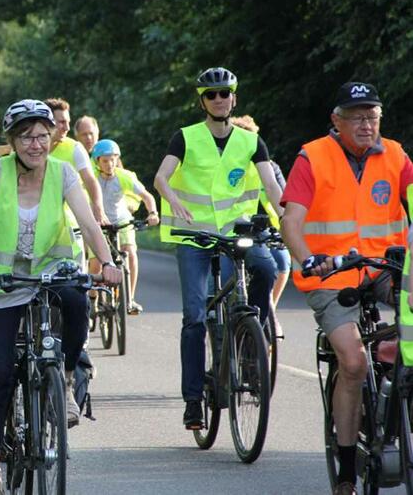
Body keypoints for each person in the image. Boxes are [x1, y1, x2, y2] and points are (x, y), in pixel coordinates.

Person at [0, 99, 121, 495]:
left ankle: (65, 378)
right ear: (13, 141)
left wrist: (108, 261)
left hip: (52, 270)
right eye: (27, 137)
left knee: (77, 299)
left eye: (43, 136)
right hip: (1, 283)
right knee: (0, 373)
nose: (36, 144)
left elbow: (87, 221)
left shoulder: (62, 172)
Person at [281, 82, 411, 495]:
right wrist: (308, 260)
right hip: (331, 275)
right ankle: (347, 469)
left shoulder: (395, 155)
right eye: (357, 117)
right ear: (336, 122)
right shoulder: (312, 157)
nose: (366, 125)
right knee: (353, 363)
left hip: (386, 268)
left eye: (372, 116)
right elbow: (292, 223)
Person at [153, 67, 282, 431]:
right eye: (211, 95)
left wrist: (285, 216)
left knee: (267, 269)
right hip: (193, 237)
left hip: (234, 235)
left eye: (225, 93)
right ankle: (193, 400)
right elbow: (161, 177)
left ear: (234, 97)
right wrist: (173, 200)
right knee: (195, 316)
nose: (219, 99)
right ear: (202, 101)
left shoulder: (251, 141)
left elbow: (272, 187)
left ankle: (249, 343)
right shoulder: (185, 137)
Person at [230, 115, 291, 337]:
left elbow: (283, 197)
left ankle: (269, 307)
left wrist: (288, 224)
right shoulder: (228, 167)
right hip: (232, 227)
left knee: (282, 262)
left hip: (264, 227)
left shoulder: (270, 167)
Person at [89, 139, 159, 313]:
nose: (109, 164)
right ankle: (91, 300)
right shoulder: (91, 178)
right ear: (97, 162)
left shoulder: (124, 176)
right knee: (96, 262)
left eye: (112, 159)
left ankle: (130, 299)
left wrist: (153, 213)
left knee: (130, 253)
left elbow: (147, 196)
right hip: (99, 222)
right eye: (105, 160)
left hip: (121, 221)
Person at [45, 98, 107, 224]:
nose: (67, 127)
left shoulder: (75, 148)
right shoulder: (30, 149)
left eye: (68, 122)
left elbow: (90, 181)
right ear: (47, 121)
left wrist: (98, 210)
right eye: (61, 122)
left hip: (69, 225)